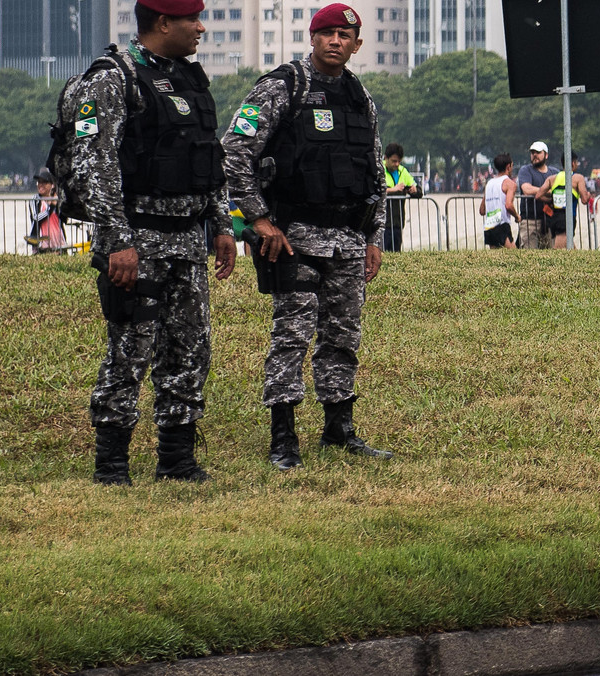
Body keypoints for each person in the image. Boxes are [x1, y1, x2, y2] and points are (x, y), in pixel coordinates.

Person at [221, 2, 392, 471]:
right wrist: (258, 219)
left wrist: (375, 237)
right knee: (292, 336)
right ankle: (283, 438)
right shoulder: (282, 87)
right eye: (328, 33)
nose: (337, 41)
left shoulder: (360, 97)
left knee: (342, 336)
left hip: (348, 242)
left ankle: (339, 429)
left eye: (345, 36)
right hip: (293, 238)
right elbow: (235, 150)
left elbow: (374, 174)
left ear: (357, 45)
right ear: (312, 38)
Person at [74, 0, 236, 486]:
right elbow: (94, 166)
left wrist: (222, 224)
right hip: (137, 240)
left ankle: (177, 459)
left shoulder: (191, 77)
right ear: (164, 22)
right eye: (193, 20)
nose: (201, 27)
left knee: (191, 348)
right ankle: (111, 464)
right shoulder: (112, 77)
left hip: (188, 241)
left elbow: (209, 157)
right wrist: (118, 241)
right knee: (130, 348)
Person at [535, 151, 591, 250]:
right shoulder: (577, 178)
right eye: (576, 163)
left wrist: (550, 200)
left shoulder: (552, 178)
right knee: (559, 248)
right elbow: (584, 200)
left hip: (555, 216)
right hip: (568, 216)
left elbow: (538, 195)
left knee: (569, 244)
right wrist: (588, 195)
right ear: (573, 163)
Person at [516, 141, 558, 249]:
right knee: (529, 255)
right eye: (532, 152)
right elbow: (526, 189)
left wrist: (540, 194)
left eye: (538, 152)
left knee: (552, 255)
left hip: (550, 220)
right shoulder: (525, 170)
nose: (535, 155)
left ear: (546, 155)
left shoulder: (554, 172)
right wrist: (546, 191)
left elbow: (559, 191)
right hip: (530, 220)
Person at [382, 142, 421, 252]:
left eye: (399, 161)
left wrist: (414, 191)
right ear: (386, 158)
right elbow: (373, 191)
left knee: (396, 254)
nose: (397, 164)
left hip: (398, 223)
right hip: (382, 224)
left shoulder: (402, 171)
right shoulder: (379, 170)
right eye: (394, 161)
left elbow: (419, 191)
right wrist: (392, 189)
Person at [479, 153, 519, 249]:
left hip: (489, 227)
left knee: (496, 260)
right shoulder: (510, 183)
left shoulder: (489, 183)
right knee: (514, 258)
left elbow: (482, 211)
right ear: (508, 166)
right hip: (501, 225)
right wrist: (517, 216)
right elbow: (508, 205)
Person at [27, 167, 65, 253]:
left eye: (44, 182)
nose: (41, 185)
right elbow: (36, 218)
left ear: (52, 185)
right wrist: (51, 207)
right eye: (39, 182)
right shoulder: (35, 200)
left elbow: (63, 218)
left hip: (58, 242)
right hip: (41, 243)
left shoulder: (57, 199)